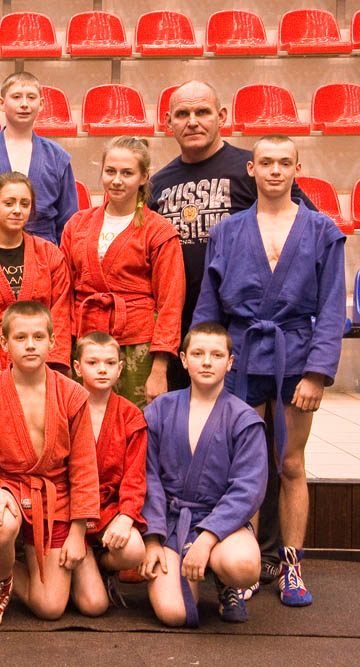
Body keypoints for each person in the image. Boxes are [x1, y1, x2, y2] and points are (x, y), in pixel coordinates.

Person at [149, 79, 318, 590]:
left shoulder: (254, 167)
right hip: (190, 332)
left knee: (267, 448)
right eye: (182, 114)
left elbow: (302, 238)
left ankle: (265, 556)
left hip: (247, 335)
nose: (193, 122)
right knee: (201, 444)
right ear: (167, 123)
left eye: (203, 111)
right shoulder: (160, 183)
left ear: (222, 116)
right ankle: (196, 542)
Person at [192, 135, 346, 606]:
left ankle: (291, 565)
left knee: (291, 464)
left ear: (298, 168)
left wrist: (317, 373)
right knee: (245, 468)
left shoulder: (322, 230)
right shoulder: (227, 231)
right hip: (241, 354)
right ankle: (244, 567)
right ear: (251, 169)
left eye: (283, 162)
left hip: (294, 353)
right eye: (265, 162)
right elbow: (209, 304)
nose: (274, 170)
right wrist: (203, 358)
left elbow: (332, 308)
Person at [0, 301, 99, 628]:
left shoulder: (72, 395)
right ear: (4, 344)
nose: (31, 345)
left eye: (38, 337)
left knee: (50, 607)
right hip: (7, 487)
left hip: (54, 497)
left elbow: (83, 467)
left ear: (53, 341)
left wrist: (78, 531)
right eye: (20, 338)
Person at [140, 322, 267, 627]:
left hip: (221, 525)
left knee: (243, 565)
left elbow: (248, 489)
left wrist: (208, 537)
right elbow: (147, 477)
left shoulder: (244, 419)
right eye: (197, 354)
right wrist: (152, 540)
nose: (207, 362)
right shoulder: (159, 410)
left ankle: (226, 582)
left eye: (216, 355)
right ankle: (181, 565)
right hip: (171, 522)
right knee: (174, 615)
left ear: (230, 362)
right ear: (184, 360)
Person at [61, 137, 185, 408]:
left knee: (136, 423)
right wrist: (62, 354)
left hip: (138, 345)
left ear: (144, 177)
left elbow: (170, 304)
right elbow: (63, 295)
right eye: (110, 171)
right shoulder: (77, 224)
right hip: (85, 341)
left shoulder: (158, 231)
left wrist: (160, 368)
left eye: (127, 173)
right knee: (83, 420)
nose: (117, 180)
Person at [0, 172, 72, 376]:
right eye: (9, 203)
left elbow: (60, 315)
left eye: (24, 204)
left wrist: (48, 370)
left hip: (40, 363)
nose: (17, 210)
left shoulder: (49, 255)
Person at [69, 332, 147, 614]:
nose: (102, 369)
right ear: (77, 367)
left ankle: (103, 566)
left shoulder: (131, 416)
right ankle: (77, 571)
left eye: (110, 363)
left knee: (135, 549)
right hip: (70, 513)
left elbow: (135, 477)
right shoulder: (66, 409)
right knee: (94, 606)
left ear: (120, 368)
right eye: (92, 362)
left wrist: (126, 517)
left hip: (108, 510)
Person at [0, 71, 77, 247]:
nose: (24, 104)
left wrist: (63, 261)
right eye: (16, 97)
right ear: (2, 103)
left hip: (44, 253)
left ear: (41, 104)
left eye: (31, 97)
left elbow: (68, 222)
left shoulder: (57, 157)